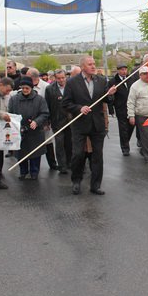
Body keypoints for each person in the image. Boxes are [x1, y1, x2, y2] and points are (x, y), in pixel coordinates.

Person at [62, 56, 116, 195]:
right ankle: (76, 181)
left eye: (94, 63)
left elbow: (107, 100)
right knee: (78, 154)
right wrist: (79, 108)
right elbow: (66, 103)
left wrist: (110, 95)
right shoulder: (72, 82)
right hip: (80, 124)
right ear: (83, 66)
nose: (93, 66)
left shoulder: (101, 80)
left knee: (97, 156)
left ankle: (96, 185)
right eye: (90, 64)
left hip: (97, 124)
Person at [8, 77, 49, 180]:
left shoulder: (39, 99)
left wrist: (37, 121)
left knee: (35, 153)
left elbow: (45, 113)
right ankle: (23, 171)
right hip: (20, 131)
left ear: (31, 87)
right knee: (21, 153)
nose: (25, 90)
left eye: (27, 88)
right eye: (23, 88)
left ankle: (34, 172)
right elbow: (10, 113)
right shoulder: (14, 99)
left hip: (35, 131)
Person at [26, 67, 57, 170]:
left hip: (44, 119)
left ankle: (52, 163)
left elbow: (52, 105)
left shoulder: (47, 87)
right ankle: (33, 167)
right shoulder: (26, 86)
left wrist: (48, 121)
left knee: (47, 142)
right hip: (30, 119)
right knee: (31, 143)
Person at [127, 66, 148, 165]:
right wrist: (131, 115)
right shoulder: (135, 86)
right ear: (140, 75)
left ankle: (144, 150)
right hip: (141, 115)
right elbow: (130, 102)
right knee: (145, 136)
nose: (147, 75)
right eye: (144, 74)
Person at [45, 69, 71, 174]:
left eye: (63, 78)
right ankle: (62, 165)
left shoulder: (71, 86)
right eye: (58, 78)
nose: (61, 80)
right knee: (59, 144)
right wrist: (47, 121)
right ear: (55, 78)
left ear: (66, 77)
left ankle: (70, 163)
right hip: (57, 121)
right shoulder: (50, 89)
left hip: (71, 120)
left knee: (70, 143)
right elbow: (47, 105)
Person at [108, 63, 134, 156]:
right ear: (118, 70)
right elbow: (110, 96)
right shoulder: (113, 81)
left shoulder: (130, 79)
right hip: (120, 108)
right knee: (123, 129)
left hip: (131, 107)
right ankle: (125, 148)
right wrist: (111, 109)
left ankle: (126, 141)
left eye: (125, 69)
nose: (124, 71)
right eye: (122, 70)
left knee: (130, 127)